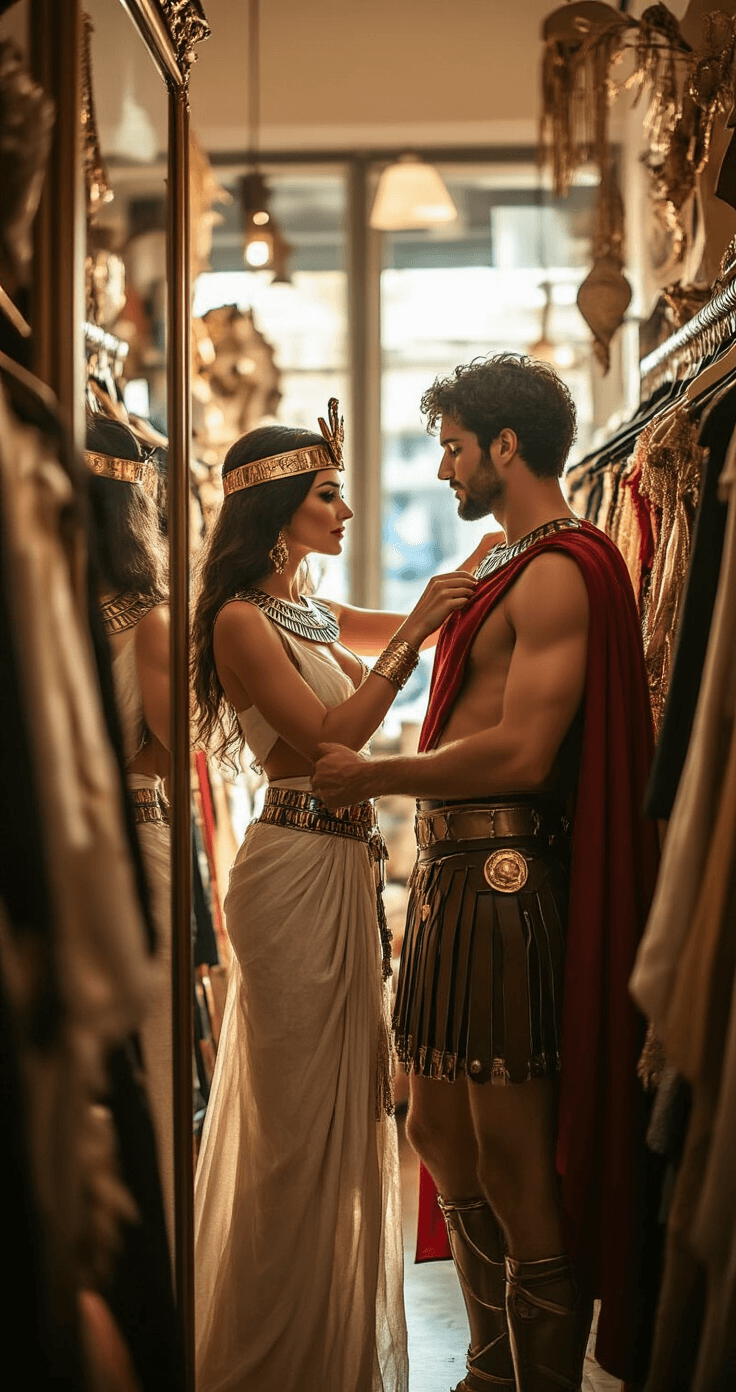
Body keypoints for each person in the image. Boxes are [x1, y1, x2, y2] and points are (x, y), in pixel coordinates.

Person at [313, 356, 660, 1392]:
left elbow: (520, 750)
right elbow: (403, 636)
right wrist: (279, 599)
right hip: (455, 878)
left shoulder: (561, 568)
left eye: (455, 446)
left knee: (511, 1157)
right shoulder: (504, 558)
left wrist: (373, 772)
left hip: (507, 882)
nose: (446, 466)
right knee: (437, 1132)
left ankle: (530, 1382)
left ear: (506, 446)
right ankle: (488, 1365)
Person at [190, 401, 485, 1392]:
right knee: (295, 1126)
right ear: (278, 506)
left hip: (339, 870)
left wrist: (487, 584)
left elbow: (416, 627)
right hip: (288, 873)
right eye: (328, 494)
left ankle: (328, 1354)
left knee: (344, 1108)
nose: (349, 508)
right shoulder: (238, 620)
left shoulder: (302, 606)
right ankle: (270, 1358)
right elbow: (330, 743)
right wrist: (416, 631)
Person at [86, 414, 174, 1257]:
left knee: (142, 1055)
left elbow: (176, 745)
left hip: (131, 834)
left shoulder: (145, 616)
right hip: (92, 836)